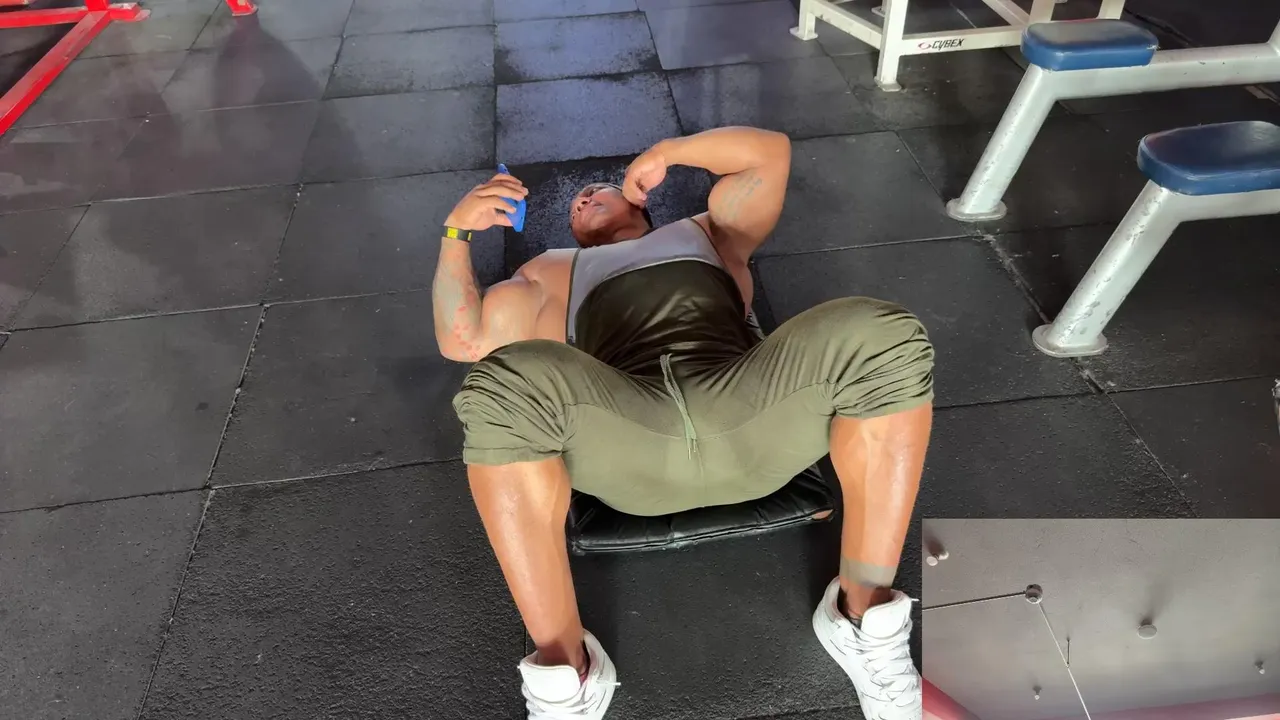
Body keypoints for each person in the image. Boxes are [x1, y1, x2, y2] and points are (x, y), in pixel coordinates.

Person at [432, 126, 933, 720]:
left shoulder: (708, 233)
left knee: (882, 333)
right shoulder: (550, 272)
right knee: (498, 385)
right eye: (575, 205)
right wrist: (456, 233)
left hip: (753, 422)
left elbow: (769, 154)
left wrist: (669, 153)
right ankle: (565, 674)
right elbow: (464, 340)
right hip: (633, 440)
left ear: (639, 201)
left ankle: (863, 617)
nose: (584, 199)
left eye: (597, 190)